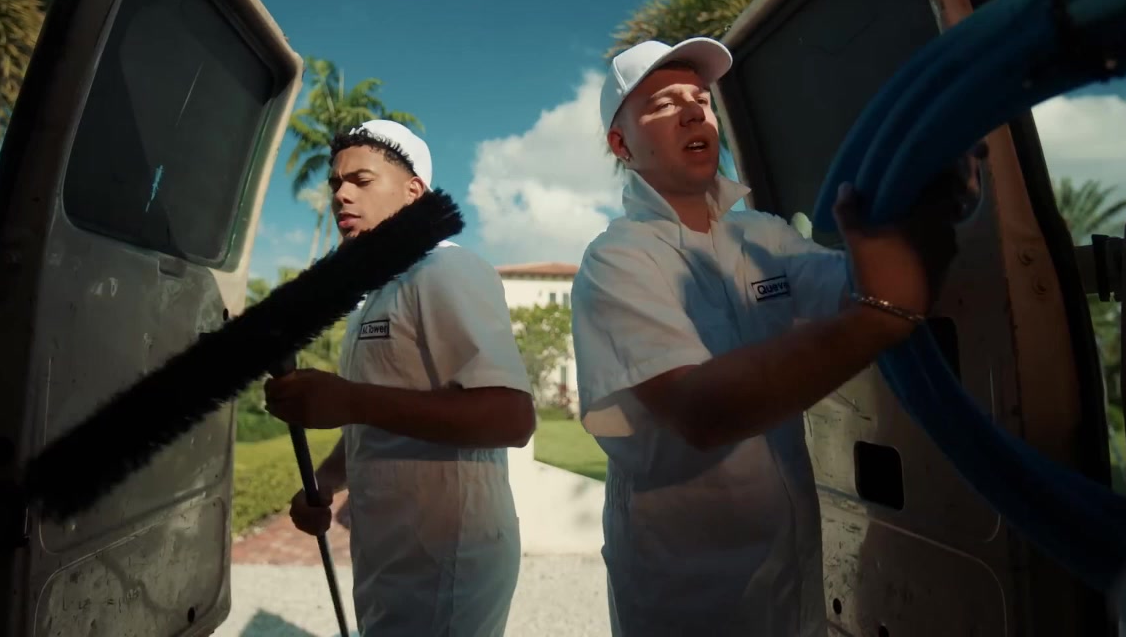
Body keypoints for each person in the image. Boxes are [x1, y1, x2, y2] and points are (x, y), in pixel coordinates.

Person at [569, 38, 981, 636]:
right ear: (621, 144)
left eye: (701, 99)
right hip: (686, 600)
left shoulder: (762, 236)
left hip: (794, 587)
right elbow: (699, 410)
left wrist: (923, 206)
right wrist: (877, 320)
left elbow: (856, 285)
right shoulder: (617, 259)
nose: (693, 112)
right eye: (662, 104)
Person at [264, 119, 536, 637]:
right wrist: (325, 481)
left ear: (414, 192)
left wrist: (349, 400)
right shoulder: (374, 296)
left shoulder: (446, 269)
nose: (341, 195)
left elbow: (511, 417)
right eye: (335, 183)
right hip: (392, 559)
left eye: (361, 180)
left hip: (446, 566)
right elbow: (374, 422)